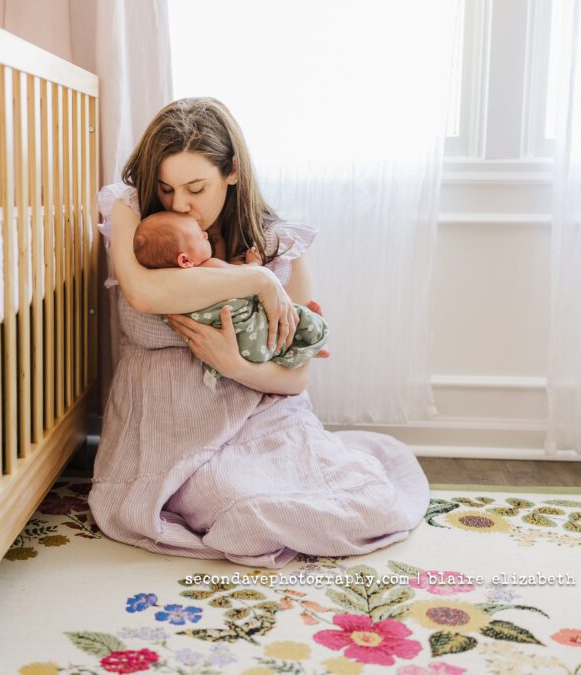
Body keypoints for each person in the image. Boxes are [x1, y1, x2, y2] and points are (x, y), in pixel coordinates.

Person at [89, 97, 429, 568]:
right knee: (242, 510)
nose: (180, 204)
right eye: (166, 189)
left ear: (232, 173)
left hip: (259, 410)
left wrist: (231, 363)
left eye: (195, 187)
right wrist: (256, 280)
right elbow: (144, 293)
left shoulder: (277, 244)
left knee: (362, 503)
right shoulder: (137, 216)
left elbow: (295, 379)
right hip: (168, 424)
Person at [132, 210, 329, 389]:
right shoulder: (210, 266)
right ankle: (316, 341)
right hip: (249, 334)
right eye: (199, 236)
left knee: (277, 337)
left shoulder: (169, 289)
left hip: (243, 348)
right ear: (185, 260)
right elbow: (246, 276)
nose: (205, 234)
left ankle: (306, 348)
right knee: (293, 317)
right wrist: (254, 263)